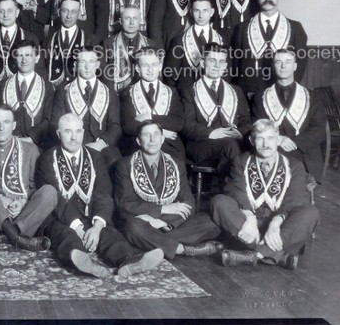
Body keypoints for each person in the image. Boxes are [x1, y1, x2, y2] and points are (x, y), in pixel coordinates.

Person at [35, 113, 164, 277]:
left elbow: (103, 194)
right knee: (66, 237)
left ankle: (128, 261)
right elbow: (58, 200)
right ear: (59, 134)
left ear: (83, 132)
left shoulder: (95, 157)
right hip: (60, 216)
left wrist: (96, 227)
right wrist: (78, 228)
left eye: (78, 132)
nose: (74, 137)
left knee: (109, 234)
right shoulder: (47, 159)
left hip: (90, 214)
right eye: (68, 132)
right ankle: (83, 263)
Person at [211, 119, 319, 270]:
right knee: (219, 202)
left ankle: (253, 255)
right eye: (260, 139)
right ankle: (276, 255)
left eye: (270, 138)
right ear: (251, 140)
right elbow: (236, 191)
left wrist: (275, 223)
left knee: (310, 213)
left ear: (278, 139)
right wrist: (249, 218)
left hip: (280, 228)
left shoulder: (294, 165)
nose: (265, 144)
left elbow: (295, 199)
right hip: (247, 225)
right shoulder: (241, 161)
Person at [114, 121, 223, 262]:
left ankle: (147, 244)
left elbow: (189, 202)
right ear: (138, 141)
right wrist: (163, 209)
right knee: (132, 226)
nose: (152, 140)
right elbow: (125, 204)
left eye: (156, 135)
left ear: (162, 139)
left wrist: (165, 224)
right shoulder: (125, 165)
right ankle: (184, 249)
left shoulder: (176, 163)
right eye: (147, 135)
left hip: (169, 223)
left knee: (212, 222)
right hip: (143, 220)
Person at [0, 106, 55, 251]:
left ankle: (6, 235)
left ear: (14, 125)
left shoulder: (30, 149)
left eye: (6, 122)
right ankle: (17, 238)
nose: (2, 127)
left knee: (50, 192)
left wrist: (23, 202)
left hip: (23, 216)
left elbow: (35, 186)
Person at [251, 48, 326, 179]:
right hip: (273, 150)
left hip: (304, 152)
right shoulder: (261, 96)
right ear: (273, 66)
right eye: (278, 62)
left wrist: (293, 142)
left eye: (288, 62)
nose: (283, 65)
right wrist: (278, 139)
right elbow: (257, 127)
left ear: (295, 66)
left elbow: (319, 130)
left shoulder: (311, 96)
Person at [181, 43, 251, 173]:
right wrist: (212, 133)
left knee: (249, 144)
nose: (217, 66)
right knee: (230, 145)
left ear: (225, 66)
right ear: (202, 63)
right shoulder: (189, 91)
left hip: (231, 142)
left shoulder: (236, 90)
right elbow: (187, 125)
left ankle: (221, 188)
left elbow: (246, 121)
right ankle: (234, 190)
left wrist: (239, 132)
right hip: (201, 145)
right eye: (212, 61)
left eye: (221, 62)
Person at [231, 0, 308, 97]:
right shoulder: (242, 28)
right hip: (250, 94)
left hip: (282, 92)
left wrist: (288, 89)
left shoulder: (295, 28)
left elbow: (300, 63)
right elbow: (236, 63)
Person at [51, 47, 122, 163]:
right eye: (83, 62)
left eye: (92, 62)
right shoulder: (63, 91)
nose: (87, 67)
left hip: (101, 146)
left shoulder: (109, 92)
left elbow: (115, 126)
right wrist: (72, 143)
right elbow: (55, 124)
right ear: (75, 65)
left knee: (114, 158)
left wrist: (101, 143)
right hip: (71, 144)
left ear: (98, 64)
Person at [120, 47, 185, 161]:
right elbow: (128, 126)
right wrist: (161, 132)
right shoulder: (127, 93)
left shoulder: (171, 92)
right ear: (137, 68)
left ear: (160, 67)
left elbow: (178, 122)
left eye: (154, 65)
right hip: (139, 142)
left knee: (175, 161)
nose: (150, 69)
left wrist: (149, 117)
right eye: (145, 65)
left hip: (168, 143)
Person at [0, 38, 55, 148]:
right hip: (7, 144)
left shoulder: (47, 86)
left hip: (37, 145)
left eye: (28, 55)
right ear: (14, 58)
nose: (24, 60)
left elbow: (48, 120)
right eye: (19, 55)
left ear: (36, 58)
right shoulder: (2, 85)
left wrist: (30, 138)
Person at [164, 0, 228, 93]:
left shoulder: (222, 39)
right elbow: (170, 76)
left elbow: (227, 73)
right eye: (196, 10)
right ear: (191, 12)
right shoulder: (179, 40)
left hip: (214, 95)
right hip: (186, 96)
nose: (201, 15)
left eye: (205, 10)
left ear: (212, 12)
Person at [0, 0, 39, 86]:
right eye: (1, 11)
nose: (5, 15)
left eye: (10, 11)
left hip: (21, 88)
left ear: (17, 13)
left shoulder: (30, 37)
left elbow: (39, 69)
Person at [101, 5, 160, 92]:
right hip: (116, 94)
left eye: (135, 18)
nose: (132, 23)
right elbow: (104, 75)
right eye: (127, 18)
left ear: (140, 20)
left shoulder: (151, 44)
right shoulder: (108, 44)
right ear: (120, 21)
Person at [44, 0, 92, 86]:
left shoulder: (90, 39)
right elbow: (42, 69)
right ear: (58, 12)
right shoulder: (48, 39)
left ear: (79, 14)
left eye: (74, 12)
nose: (69, 16)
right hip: (53, 90)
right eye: (65, 11)